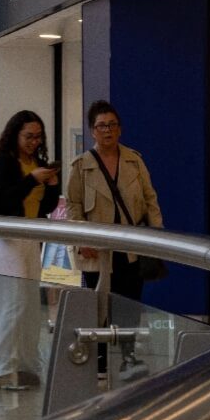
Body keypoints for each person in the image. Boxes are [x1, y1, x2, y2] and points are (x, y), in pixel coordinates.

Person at [0, 110, 60, 389]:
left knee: (29, 306)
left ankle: (25, 366)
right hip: (8, 240)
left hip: (30, 237)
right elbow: (1, 203)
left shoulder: (38, 163)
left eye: (38, 136)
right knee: (11, 303)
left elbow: (46, 207)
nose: (34, 142)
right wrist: (32, 180)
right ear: (15, 135)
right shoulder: (3, 163)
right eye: (28, 136)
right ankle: (0, 369)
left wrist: (50, 185)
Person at [66, 100, 163, 303]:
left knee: (129, 310)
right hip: (97, 250)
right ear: (93, 131)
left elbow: (150, 200)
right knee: (100, 310)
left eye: (113, 124)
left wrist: (158, 237)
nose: (108, 130)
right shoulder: (81, 166)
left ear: (120, 129)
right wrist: (80, 240)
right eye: (102, 125)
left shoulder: (135, 161)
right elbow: (73, 205)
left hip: (132, 249)